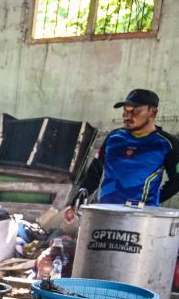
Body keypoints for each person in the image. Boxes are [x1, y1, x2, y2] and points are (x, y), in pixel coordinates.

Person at [65, 88, 179, 219]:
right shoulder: (113, 138)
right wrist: (75, 204)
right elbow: (94, 173)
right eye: (125, 111)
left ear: (153, 112)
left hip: (141, 218)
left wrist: (153, 201)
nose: (127, 116)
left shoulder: (167, 143)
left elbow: (177, 180)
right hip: (104, 212)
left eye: (135, 111)